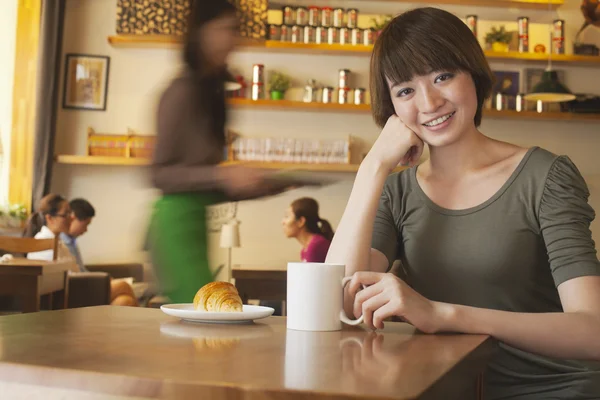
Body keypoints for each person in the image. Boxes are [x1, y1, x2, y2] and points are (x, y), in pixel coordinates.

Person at [326, 7, 600, 399]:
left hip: (552, 389)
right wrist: (372, 167)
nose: (429, 102)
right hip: (443, 389)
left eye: (443, 76)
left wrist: (443, 315)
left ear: (473, 74)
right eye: (405, 90)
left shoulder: (545, 176)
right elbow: (341, 305)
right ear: (391, 110)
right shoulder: (396, 192)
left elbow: (593, 332)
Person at [148, 0, 278, 304]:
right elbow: (158, 174)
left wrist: (261, 186)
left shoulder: (212, 92)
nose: (234, 39)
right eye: (225, 29)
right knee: (207, 320)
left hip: (193, 226)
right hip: (173, 228)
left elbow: (206, 185)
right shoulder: (181, 91)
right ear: (200, 34)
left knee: (205, 322)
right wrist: (223, 174)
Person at [60, 198, 137, 307]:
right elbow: (73, 276)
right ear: (73, 218)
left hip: (84, 285)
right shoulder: (58, 242)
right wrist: (102, 281)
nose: (86, 230)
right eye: (85, 225)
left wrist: (103, 279)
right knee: (123, 286)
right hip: (78, 291)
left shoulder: (72, 242)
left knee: (125, 301)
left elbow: (81, 270)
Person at [282, 197, 334, 262]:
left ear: (301, 221)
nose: (283, 222)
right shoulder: (305, 250)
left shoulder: (316, 246)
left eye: (287, 216)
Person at [26, 194, 73, 261]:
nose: (71, 218)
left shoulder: (59, 241)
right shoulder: (43, 243)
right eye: (65, 214)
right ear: (49, 218)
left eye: (70, 213)